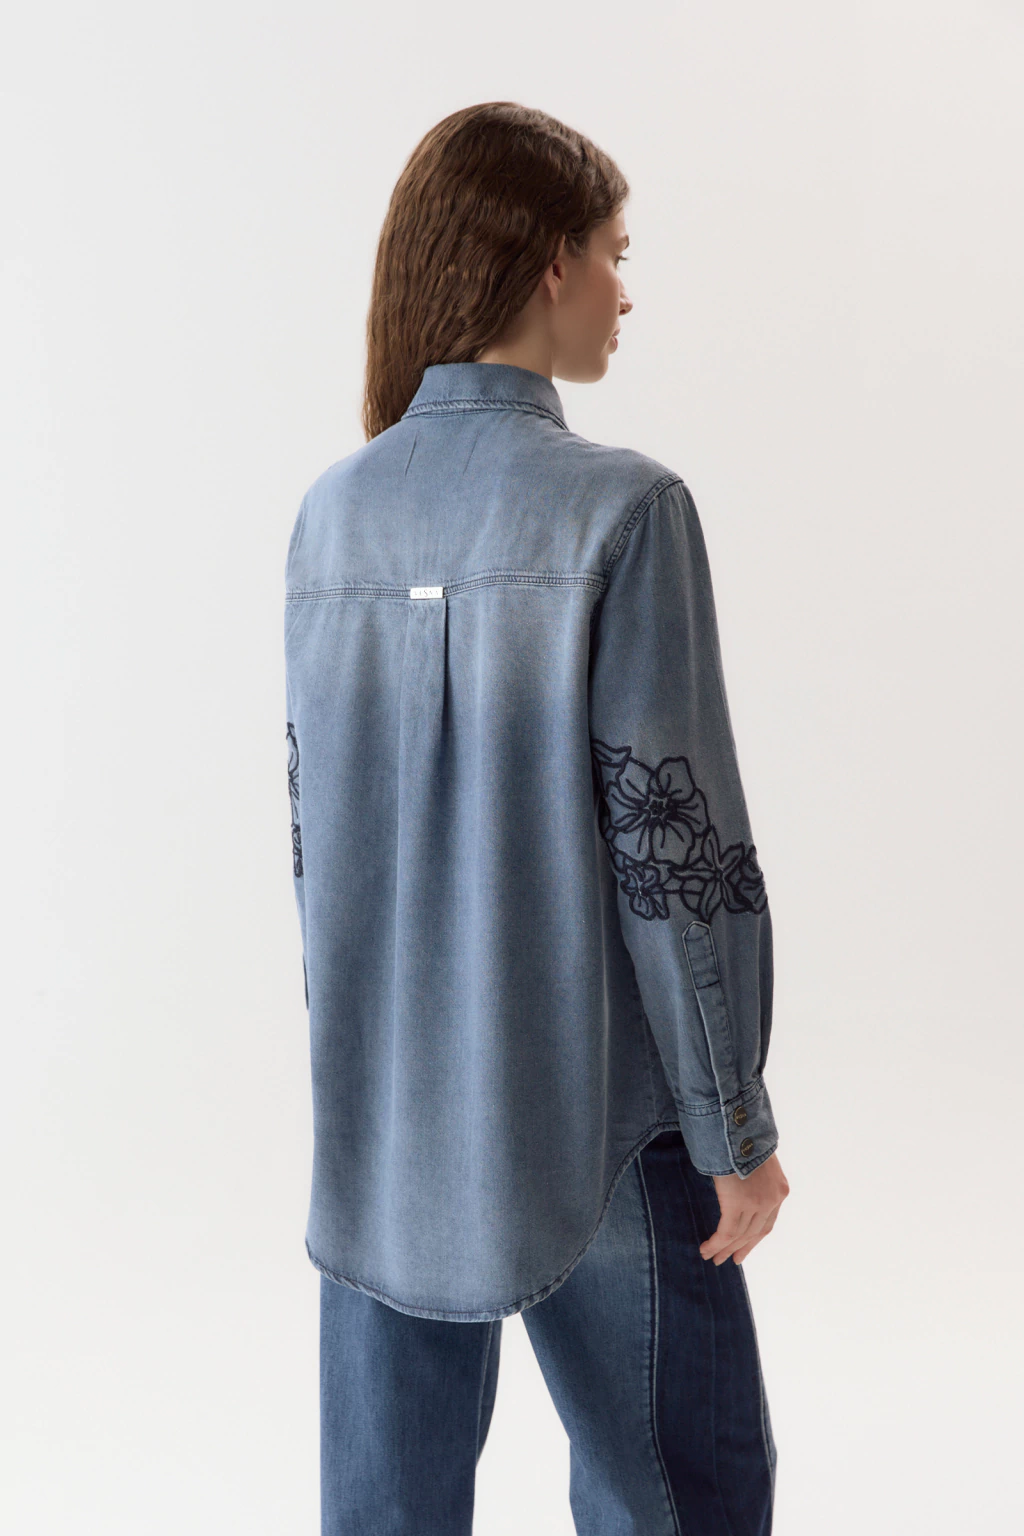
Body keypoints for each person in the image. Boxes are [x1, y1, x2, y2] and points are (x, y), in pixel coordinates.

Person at [284, 100, 790, 1536]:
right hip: (602, 1121)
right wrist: (733, 1127)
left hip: (383, 1123)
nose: (626, 292)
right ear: (547, 260)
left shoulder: (332, 517)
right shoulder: (624, 512)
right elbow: (673, 857)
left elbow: (320, 857)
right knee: (686, 1500)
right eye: (615, 253)